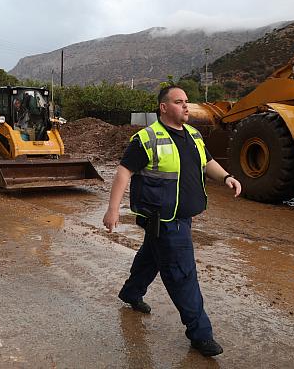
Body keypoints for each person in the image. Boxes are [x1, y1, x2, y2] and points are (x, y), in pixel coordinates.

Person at [103, 85, 242, 358]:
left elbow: (207, 163)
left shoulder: (193, 135)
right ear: (164, 107)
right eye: (179, 102)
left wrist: (227, 177)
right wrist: (113, 209)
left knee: (152, 256)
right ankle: (201, 335)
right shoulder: (147, 138)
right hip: (164, 219)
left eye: (187, 102)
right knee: (182, 274)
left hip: (182, 217)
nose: (186, 106)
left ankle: (131, 293)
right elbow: (123, 172)